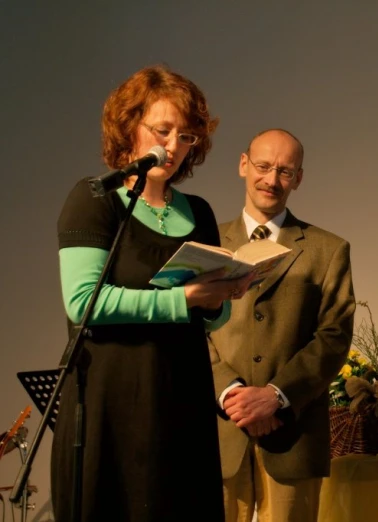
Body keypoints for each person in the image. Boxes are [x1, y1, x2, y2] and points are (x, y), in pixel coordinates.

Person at [51, 65, 254, 522]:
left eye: (187, 137)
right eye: (162, 130)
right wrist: (185, 299)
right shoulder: (94, 198)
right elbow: (83, 304)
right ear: (129, 126)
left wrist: (222, 296)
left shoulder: (197, 211)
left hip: (180, 399)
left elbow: (208, 319)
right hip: (113, 403)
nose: (173, 147)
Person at [208, 128, 356, 522]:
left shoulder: (329, 250)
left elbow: (334, 336)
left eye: (285, 171)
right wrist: (230, 394)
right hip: (219, 435)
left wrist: (276, 396)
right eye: (263, 166)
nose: (272, 180)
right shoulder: (206, 243)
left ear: (299, 178)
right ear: (243, 165)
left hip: (294, 433)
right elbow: (191, 328)